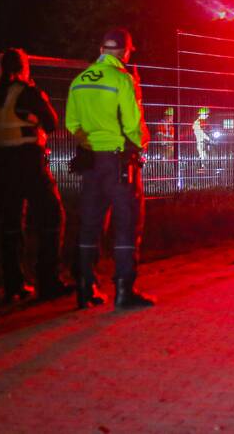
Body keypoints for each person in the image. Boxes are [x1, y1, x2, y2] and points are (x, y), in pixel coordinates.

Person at [66, 28, 155, 310]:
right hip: (119, 162)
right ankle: (124, 292)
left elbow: (72, 124)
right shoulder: (122, 79)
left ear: (102, 49)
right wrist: (140, 144)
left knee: (90, 225)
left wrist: (91, 142)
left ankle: (84, 288)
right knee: (126, 224)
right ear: (125, 52)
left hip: (91, 161)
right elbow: (132, 124)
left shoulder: (79, 80)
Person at [0, 48, 72, 303]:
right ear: (24, 67)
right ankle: (48, 280)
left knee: (11, 227)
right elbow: (52, 122)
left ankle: (14, 286)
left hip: (1, 167)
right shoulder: (27, 92)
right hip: (28, 164)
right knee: (53, 216)